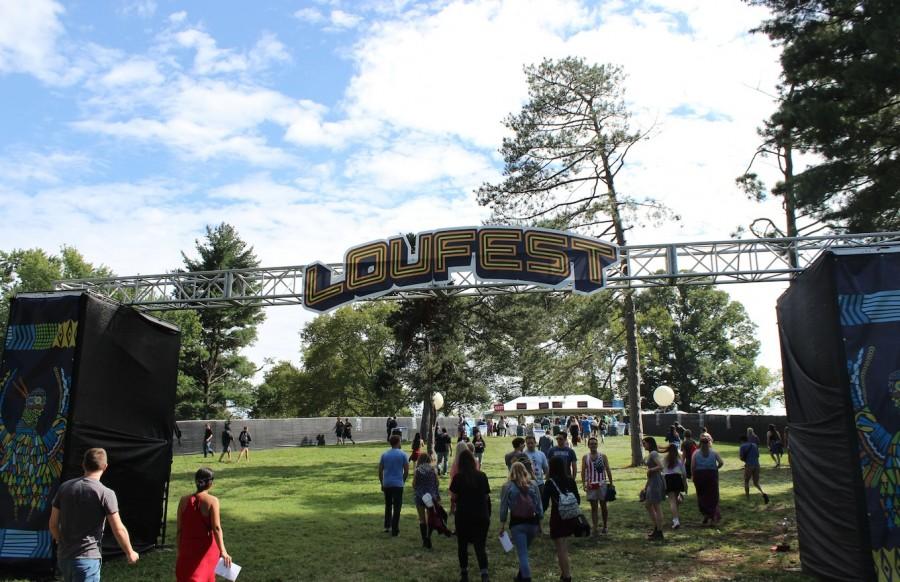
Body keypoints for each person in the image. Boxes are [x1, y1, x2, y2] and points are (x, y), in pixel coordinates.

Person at [49, 448, 139, 581]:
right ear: (105, 467)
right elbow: (118, 529)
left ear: (83, 464)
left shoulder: (65, 488)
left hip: (64, 558)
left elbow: (53, 524)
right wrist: (130, 552)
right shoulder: (105, 493)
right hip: (87, 560)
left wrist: (60, 540)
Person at [175, 468, 231, 581]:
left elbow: (179, 529)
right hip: (206, 550)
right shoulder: (212, 501)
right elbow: (216, 528)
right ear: (210, 483)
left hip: (186, 547)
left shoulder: (183, 500)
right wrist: (223, 551)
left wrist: (179, 550)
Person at [450, 449, 491, 582]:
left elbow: (454, 496)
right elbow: (486, 496)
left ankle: (464, 574)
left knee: (462, 545)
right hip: (481, 515)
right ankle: (484, 574)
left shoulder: (458, 478)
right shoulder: (482, 476)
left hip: (463, 515)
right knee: (480, 546)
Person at [499, 462, 543, 582]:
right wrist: (540, 524)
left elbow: (503, 508)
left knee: (522, 554)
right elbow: (539, 506)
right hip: (532, 523)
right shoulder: (533, 484)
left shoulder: (507, 486)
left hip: (517, 524)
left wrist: (502, 525)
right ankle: (520, 577)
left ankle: (526, 578)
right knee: (524, 551)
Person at [542, 455, 580, 582]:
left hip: (558, 517)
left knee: (561, 549)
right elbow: (578, 500)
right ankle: (564, 574)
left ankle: (567, 575)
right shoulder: (570, 480)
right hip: (571, 517)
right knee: (564, 546)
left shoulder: (550, 483)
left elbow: (544, 504)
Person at [581, 436, 613, 535]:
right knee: (594, 508)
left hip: (602, 484)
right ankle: (595, 527)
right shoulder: (585, 457)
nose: (593, 445)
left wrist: (611, 483)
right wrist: (584, 484)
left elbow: (607, 469)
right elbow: (582, 471)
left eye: (595, 444)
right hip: (591, 485)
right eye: (591, 444)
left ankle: (605, 526)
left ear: (597, 445)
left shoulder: (603, 456)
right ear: (588, 445)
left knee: (604, 507)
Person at [379, 434, 409, 536]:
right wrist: (402, 481)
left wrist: (382, 482)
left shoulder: (384, 455)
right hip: (398, 484)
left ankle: (387, 526)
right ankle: (395, 529)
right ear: (398, 442)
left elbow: (380, 470)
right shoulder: (403, 454)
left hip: (387, 483)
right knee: (397, 507)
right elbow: (406, 471)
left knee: (388, 505)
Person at [691, 434, 724, 525]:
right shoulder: (714, 453)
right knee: (713, 496)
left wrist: (693, 475)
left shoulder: (696, 453)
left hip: (700, 475)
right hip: (711, 475)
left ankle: (706, 514)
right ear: (709, 443)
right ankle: (712, 517)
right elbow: (721, 462)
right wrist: (716, 468)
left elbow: (693, 466)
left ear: (700, 443)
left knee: (701, 495)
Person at [413, 453, 440, 549]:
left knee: (422, 519)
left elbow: (414, 484)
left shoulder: (418, 470)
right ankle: (428, 537)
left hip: (420, 496)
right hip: (431, 497)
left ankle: (424, 540)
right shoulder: (433, 470)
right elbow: (437, 483)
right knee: (430, 518)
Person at [641, 437, 666, 540]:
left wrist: (651, 470)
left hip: (656, 481)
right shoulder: (652, 453)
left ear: (650, 443)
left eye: (645, 443)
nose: (643, 445)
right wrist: (646, 487)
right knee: (648, 505)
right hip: (652, 481)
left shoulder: (654, 454)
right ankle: (657, 528)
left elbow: (661, 466)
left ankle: (659, 531)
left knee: (656, 506)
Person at [662, 443, 687, 529]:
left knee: (672, 501)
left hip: (668, 480)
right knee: (675, 500)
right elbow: (684, 474)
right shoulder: (679, 460)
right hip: (677, 479)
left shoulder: (664, 460)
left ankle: (676, 520)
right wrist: (685, 485)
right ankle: (676, 517)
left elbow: (662, 472)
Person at [739, 435, 769, 504]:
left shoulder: (742, 446)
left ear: (742, 441)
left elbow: (741, 457)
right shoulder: (754, 445)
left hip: (749, 466)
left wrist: (745, 459)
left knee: (746, 481)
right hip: (757, 465)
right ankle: (763, 493)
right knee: (756, 483)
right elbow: (758, 455)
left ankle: (747, 498)